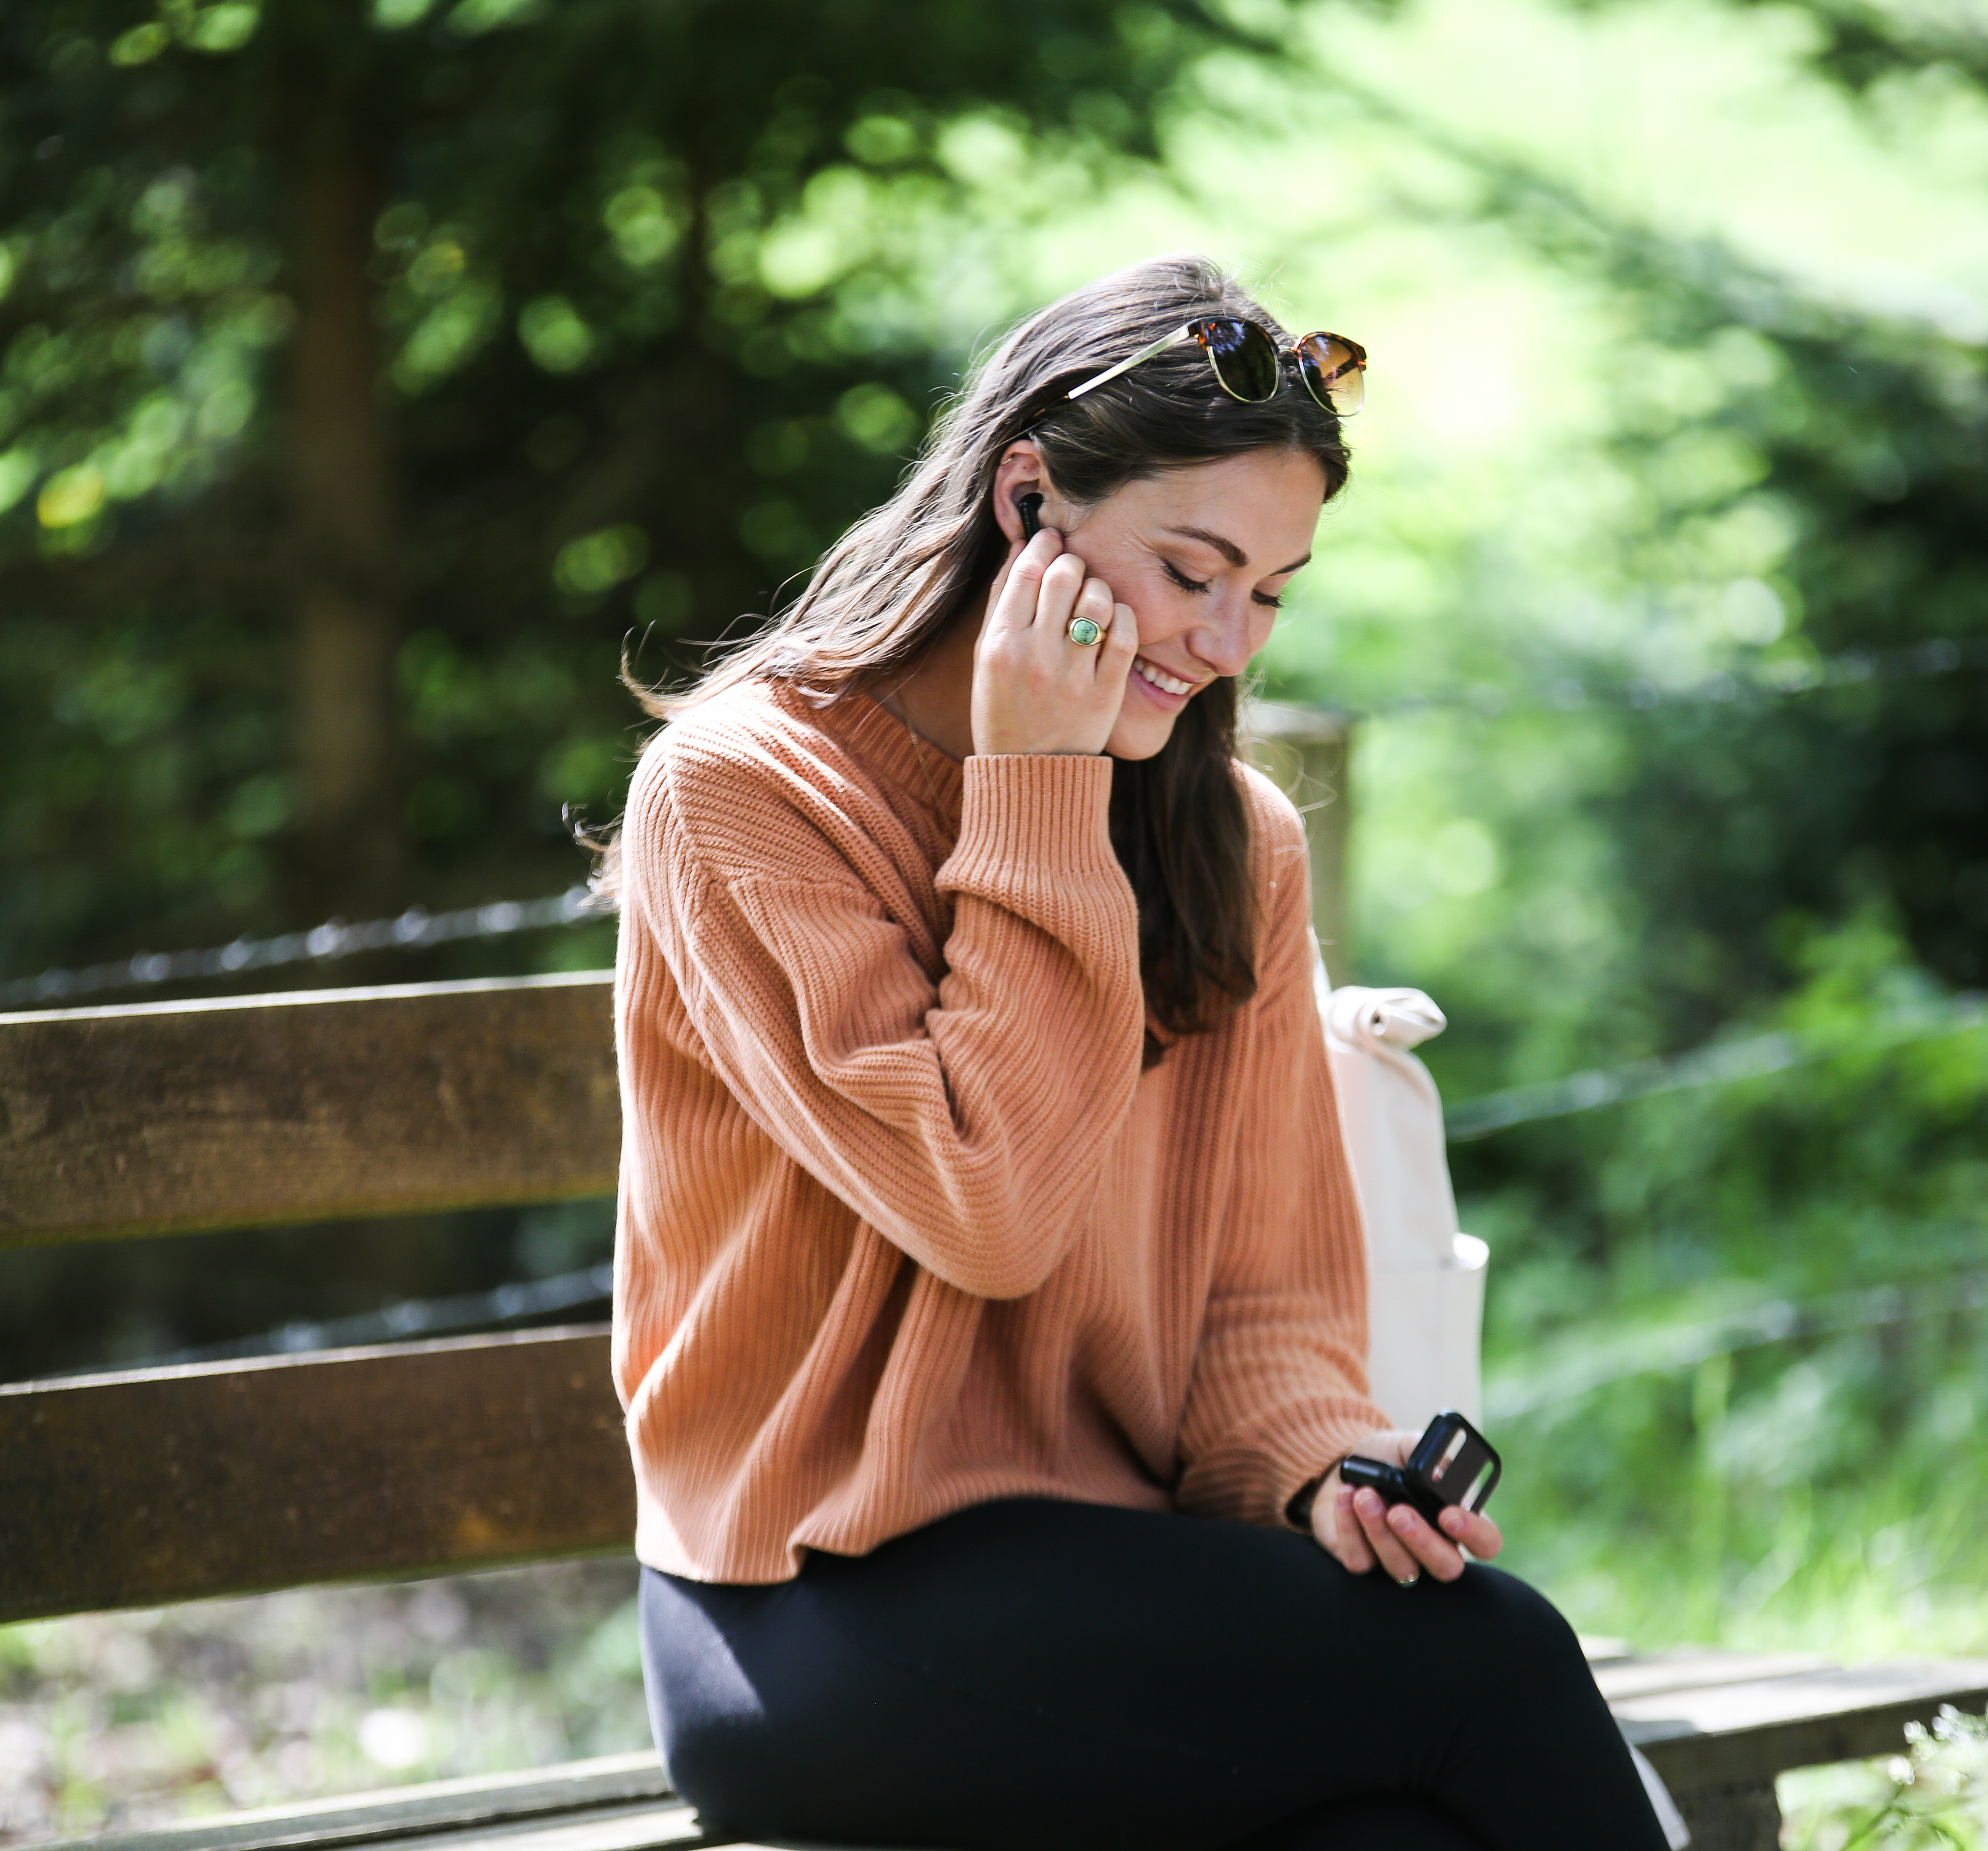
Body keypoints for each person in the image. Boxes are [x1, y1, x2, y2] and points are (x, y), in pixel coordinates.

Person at [607, 254, 1668, 1851]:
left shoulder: (1227, 837)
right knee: (1491, 1665)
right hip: (804, 1602)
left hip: (1098, 1569)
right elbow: (988, 1205)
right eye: (1194, 569)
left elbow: (1265, 1297)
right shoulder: (746, 797)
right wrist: (1039, 786)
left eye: (1272, 590)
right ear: (1029, 501)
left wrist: (1322, 1472)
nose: (1230, 642)